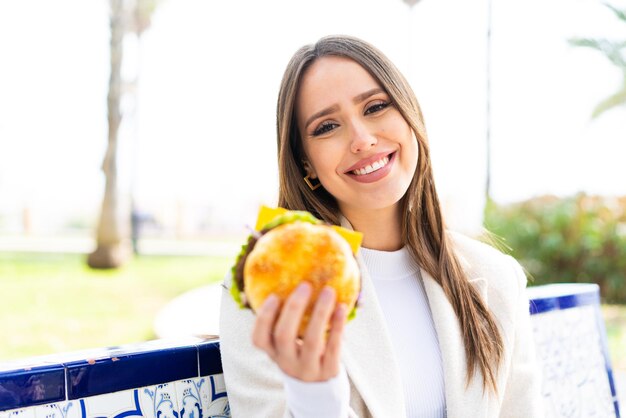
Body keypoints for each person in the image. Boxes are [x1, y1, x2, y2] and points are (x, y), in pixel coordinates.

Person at [219, 35, 542, 418]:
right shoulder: (270, 285)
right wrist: (318, 400)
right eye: (326, 126)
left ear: (409, 114)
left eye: (375, 107)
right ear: (305, 163)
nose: (362, 139)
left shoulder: (497, 277)